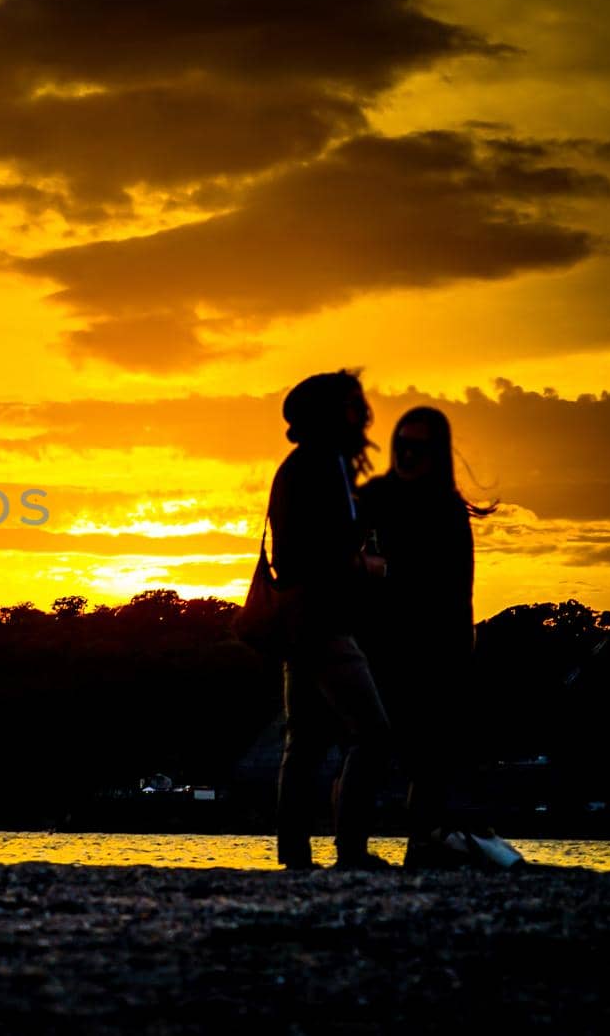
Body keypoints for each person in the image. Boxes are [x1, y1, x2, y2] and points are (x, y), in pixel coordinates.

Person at [356, 406, 495, 868]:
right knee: (369, 745)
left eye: (419, 446)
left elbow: (456, 586)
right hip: (380, 645)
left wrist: (389, 571)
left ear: (436, 453)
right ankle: (349, 849)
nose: (408, 454)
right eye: (402, 444)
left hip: (437, 648)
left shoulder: (448, 508)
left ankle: (423, 846)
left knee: (429, 759)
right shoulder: (372, 497)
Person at [268, 369, 395, 871]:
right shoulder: (325, 465)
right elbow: (333, 553)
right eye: (352, 404)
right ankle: (352, 851)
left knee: (306, 740)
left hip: (297, 617)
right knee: (373, 732)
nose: (362, 412)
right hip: (323, 618)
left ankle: (294, 854)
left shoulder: (299, 464)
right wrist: (376, 566)